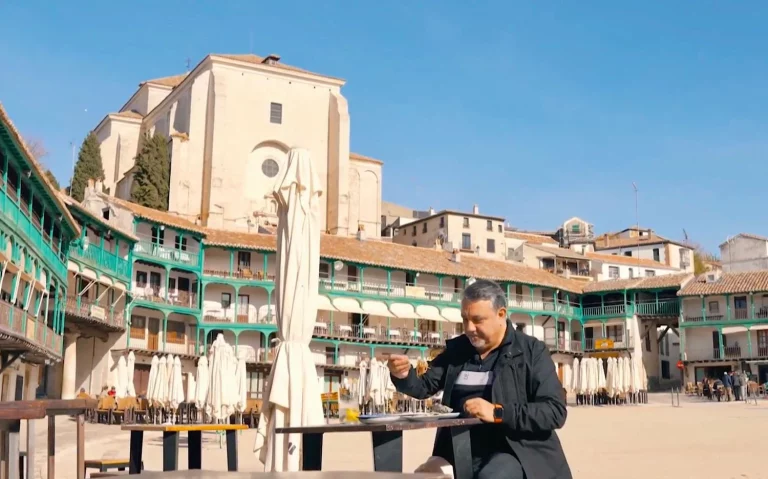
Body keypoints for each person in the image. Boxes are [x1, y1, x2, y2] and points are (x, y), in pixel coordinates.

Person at [388, 279, 571, 479]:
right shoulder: (457, 351)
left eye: (477, 320)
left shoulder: (531, 351)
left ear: (501, 314)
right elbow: (423, 386)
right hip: (457, 451)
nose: (469, 328)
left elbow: (554, 411)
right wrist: (403, 374)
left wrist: (497, 412)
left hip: (515, 452)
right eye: (465, 319)